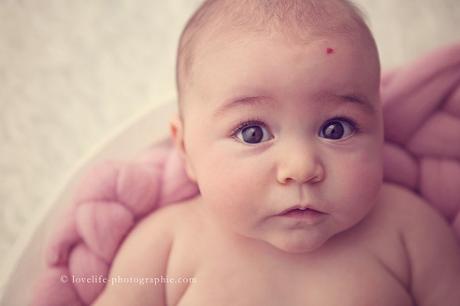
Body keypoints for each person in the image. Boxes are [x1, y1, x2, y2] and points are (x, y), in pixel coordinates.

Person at [93, 0, 460, 305]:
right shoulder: (165, 246)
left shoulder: (409, 231)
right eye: (252, 133)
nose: (301, 167)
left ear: (380, 129)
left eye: (336, 129)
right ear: (186, 148)